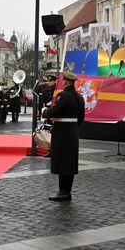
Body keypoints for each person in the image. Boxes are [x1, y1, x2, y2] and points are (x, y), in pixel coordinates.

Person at [42, 71, 85, 201]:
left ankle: (63, 192)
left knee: (62, 162)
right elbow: (81, 118)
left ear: (65, 82)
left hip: (62, 132)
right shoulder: (79, 97)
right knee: (70, 163)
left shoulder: (64, 95)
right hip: (72, 131)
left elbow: (54, 111)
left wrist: (45, 111)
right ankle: (67, 191)